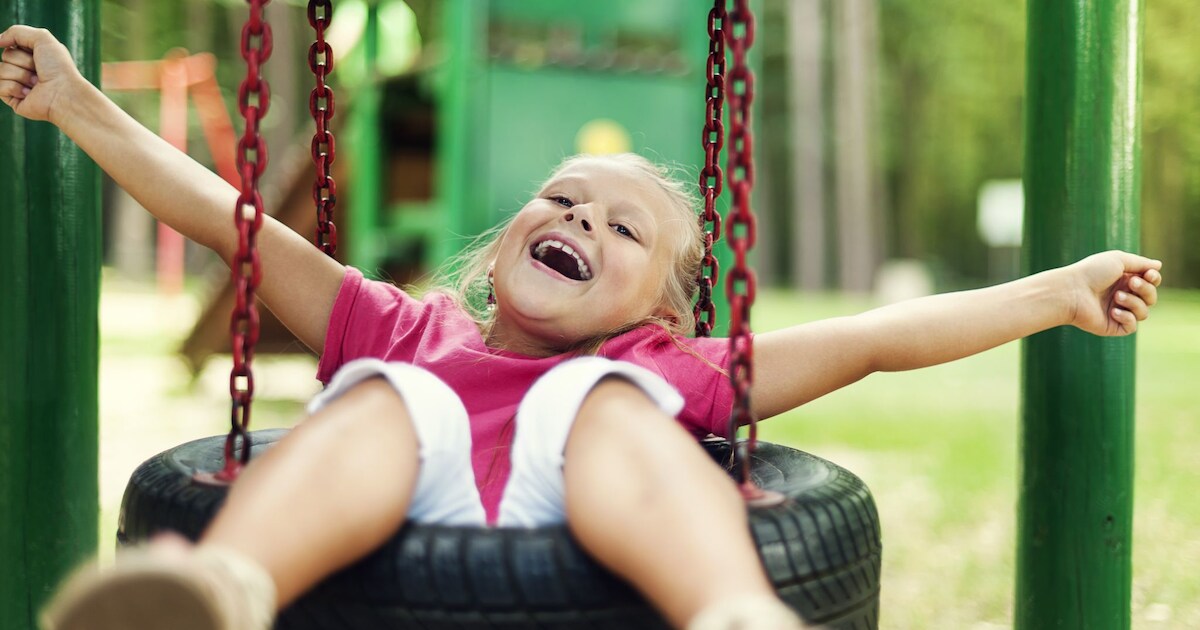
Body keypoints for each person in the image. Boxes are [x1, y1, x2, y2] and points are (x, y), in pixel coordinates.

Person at [1, 24, 1164, 630]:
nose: (576, 218)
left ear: (659, 305)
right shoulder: (406, 328)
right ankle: (221, 593)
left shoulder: (667, 367)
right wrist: (75, 102)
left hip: (596, 483)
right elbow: (236, 224)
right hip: (404, 482)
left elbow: (873, 335)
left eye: (621, 227)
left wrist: (1056, 291)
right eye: (560, 200)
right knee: (388, 399)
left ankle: (733, 612)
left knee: (596, 405)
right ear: (509, 239)